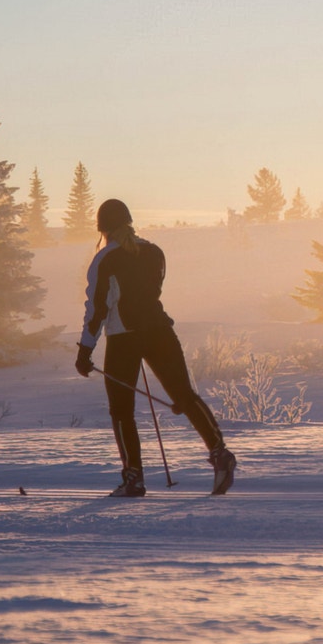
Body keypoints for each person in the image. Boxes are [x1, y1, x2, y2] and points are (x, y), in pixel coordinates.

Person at [76, 198, 236, 497]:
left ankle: (133, 478)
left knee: (122, 411)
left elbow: (96, 309)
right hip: (161, 333)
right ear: (129, 221)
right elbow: (152, 293)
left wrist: (85, 351)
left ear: (102, 228)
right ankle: (220, 453)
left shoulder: (104, 259)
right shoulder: (155, 252)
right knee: (185, 395)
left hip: (124, 339)